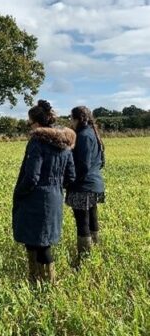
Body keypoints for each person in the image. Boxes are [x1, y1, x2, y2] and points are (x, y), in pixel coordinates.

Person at [12, 100, 76, 284]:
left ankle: (44, 282)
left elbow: (32, 176)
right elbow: (71, 176)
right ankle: (42, 282)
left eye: (30, 122)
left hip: (35, 198)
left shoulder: (37, 142)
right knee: (41, 241)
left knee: (38, 243)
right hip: (54, 196)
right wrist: (54, 187)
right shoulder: (66, 142)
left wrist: (21, 192)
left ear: (37, 123)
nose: (29, 126)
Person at [66, 106, 106, 264]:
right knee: (92, 219)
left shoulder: (82, 136)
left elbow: (82, 165)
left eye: (71, 118)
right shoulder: (93, 133)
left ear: (77, 119)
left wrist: (70, 181)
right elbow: (101, 162)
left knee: (82, 222)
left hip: (83, 186)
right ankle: (96, 251)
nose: (70, 121)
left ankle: (84, 258)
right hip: (95, 184)